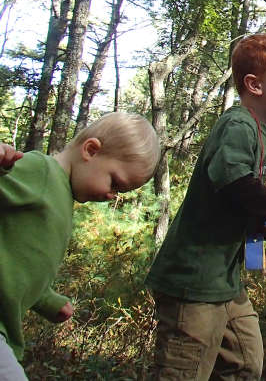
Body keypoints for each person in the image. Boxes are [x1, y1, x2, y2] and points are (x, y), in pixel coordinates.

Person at [146, 33, 266, 380]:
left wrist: (260, 227)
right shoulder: (238, 124)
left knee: (246, 364)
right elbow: (233, 181)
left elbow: (235, 199)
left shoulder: (261, 131)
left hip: (225, 282)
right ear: (255, 84)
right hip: (195, 281)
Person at [0, 112, 161, 381]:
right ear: (91, 150)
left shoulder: (59, 197)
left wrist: (48, 301)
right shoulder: (42, 172)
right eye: (115, 183)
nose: (112, 196)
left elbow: (21, 264)